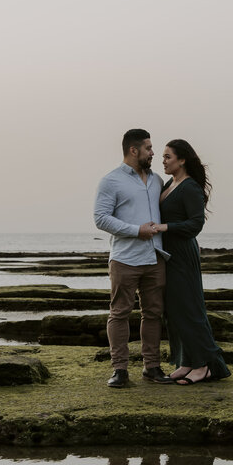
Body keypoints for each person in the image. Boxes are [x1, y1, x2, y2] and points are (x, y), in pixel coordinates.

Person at [93, 128, 171, 388]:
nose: (153, 152)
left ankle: (152, 367)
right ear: (133, 150)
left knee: (153, 314)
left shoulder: (157, 179)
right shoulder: (111, 181)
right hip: (125, 258)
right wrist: (137, 231)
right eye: (148, 148)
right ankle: (120, 370)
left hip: (154, 257)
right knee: (119, 313)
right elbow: (101, 218)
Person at [156, 139, 230, 385]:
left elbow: (196, 224)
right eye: (163, 157)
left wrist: (164, 227)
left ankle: (206, 365)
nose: (163, 161)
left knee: (189, 309)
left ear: (182, 159)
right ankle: (185, 361)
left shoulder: (190, 188)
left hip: (182, 255)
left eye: (168, 156)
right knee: (174, 312)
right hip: (167, 254)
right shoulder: (170, 183)